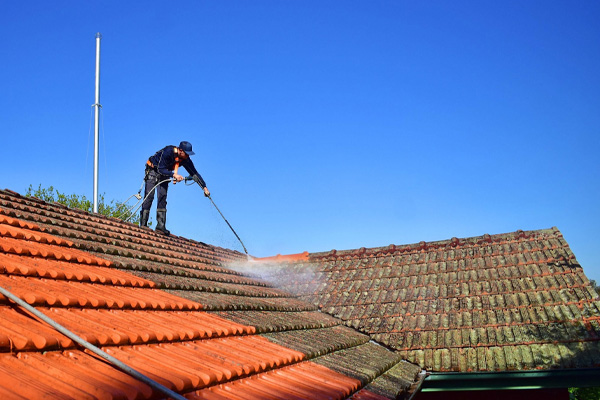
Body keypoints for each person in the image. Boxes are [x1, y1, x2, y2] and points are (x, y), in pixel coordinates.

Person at [140, 141, 210, 235]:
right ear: (181, 151)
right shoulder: (168, 152)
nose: (188, 156)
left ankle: (161, 226)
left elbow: (194, 173)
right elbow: (160, 169)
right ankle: (143, 225)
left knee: (162, 197)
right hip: (153, 171)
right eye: (186, 154)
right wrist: (174, 175)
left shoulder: (185, 159)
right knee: (149, 196)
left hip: (166, 173)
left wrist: (204, 187)